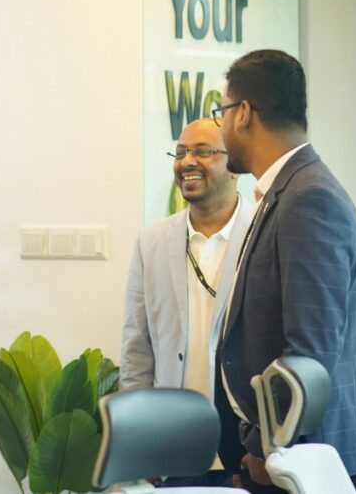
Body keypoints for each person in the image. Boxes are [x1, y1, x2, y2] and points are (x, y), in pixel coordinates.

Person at [214, 50, 356, 494]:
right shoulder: (288, 190)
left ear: (244, 113)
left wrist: (266, 446)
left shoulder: (308, 199)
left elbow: (308, 356)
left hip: (306, 460)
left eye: (221, 111)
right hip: (294, 454)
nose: (220, 127)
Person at [120, 117, 252, 488]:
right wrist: (137, 438)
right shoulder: (153, 241)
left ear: (235, 167)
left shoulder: (262, 234)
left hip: (245, 449)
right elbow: (137, 349)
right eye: (180, 153)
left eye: (203, 151)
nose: (187, 161)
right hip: (173, 445)